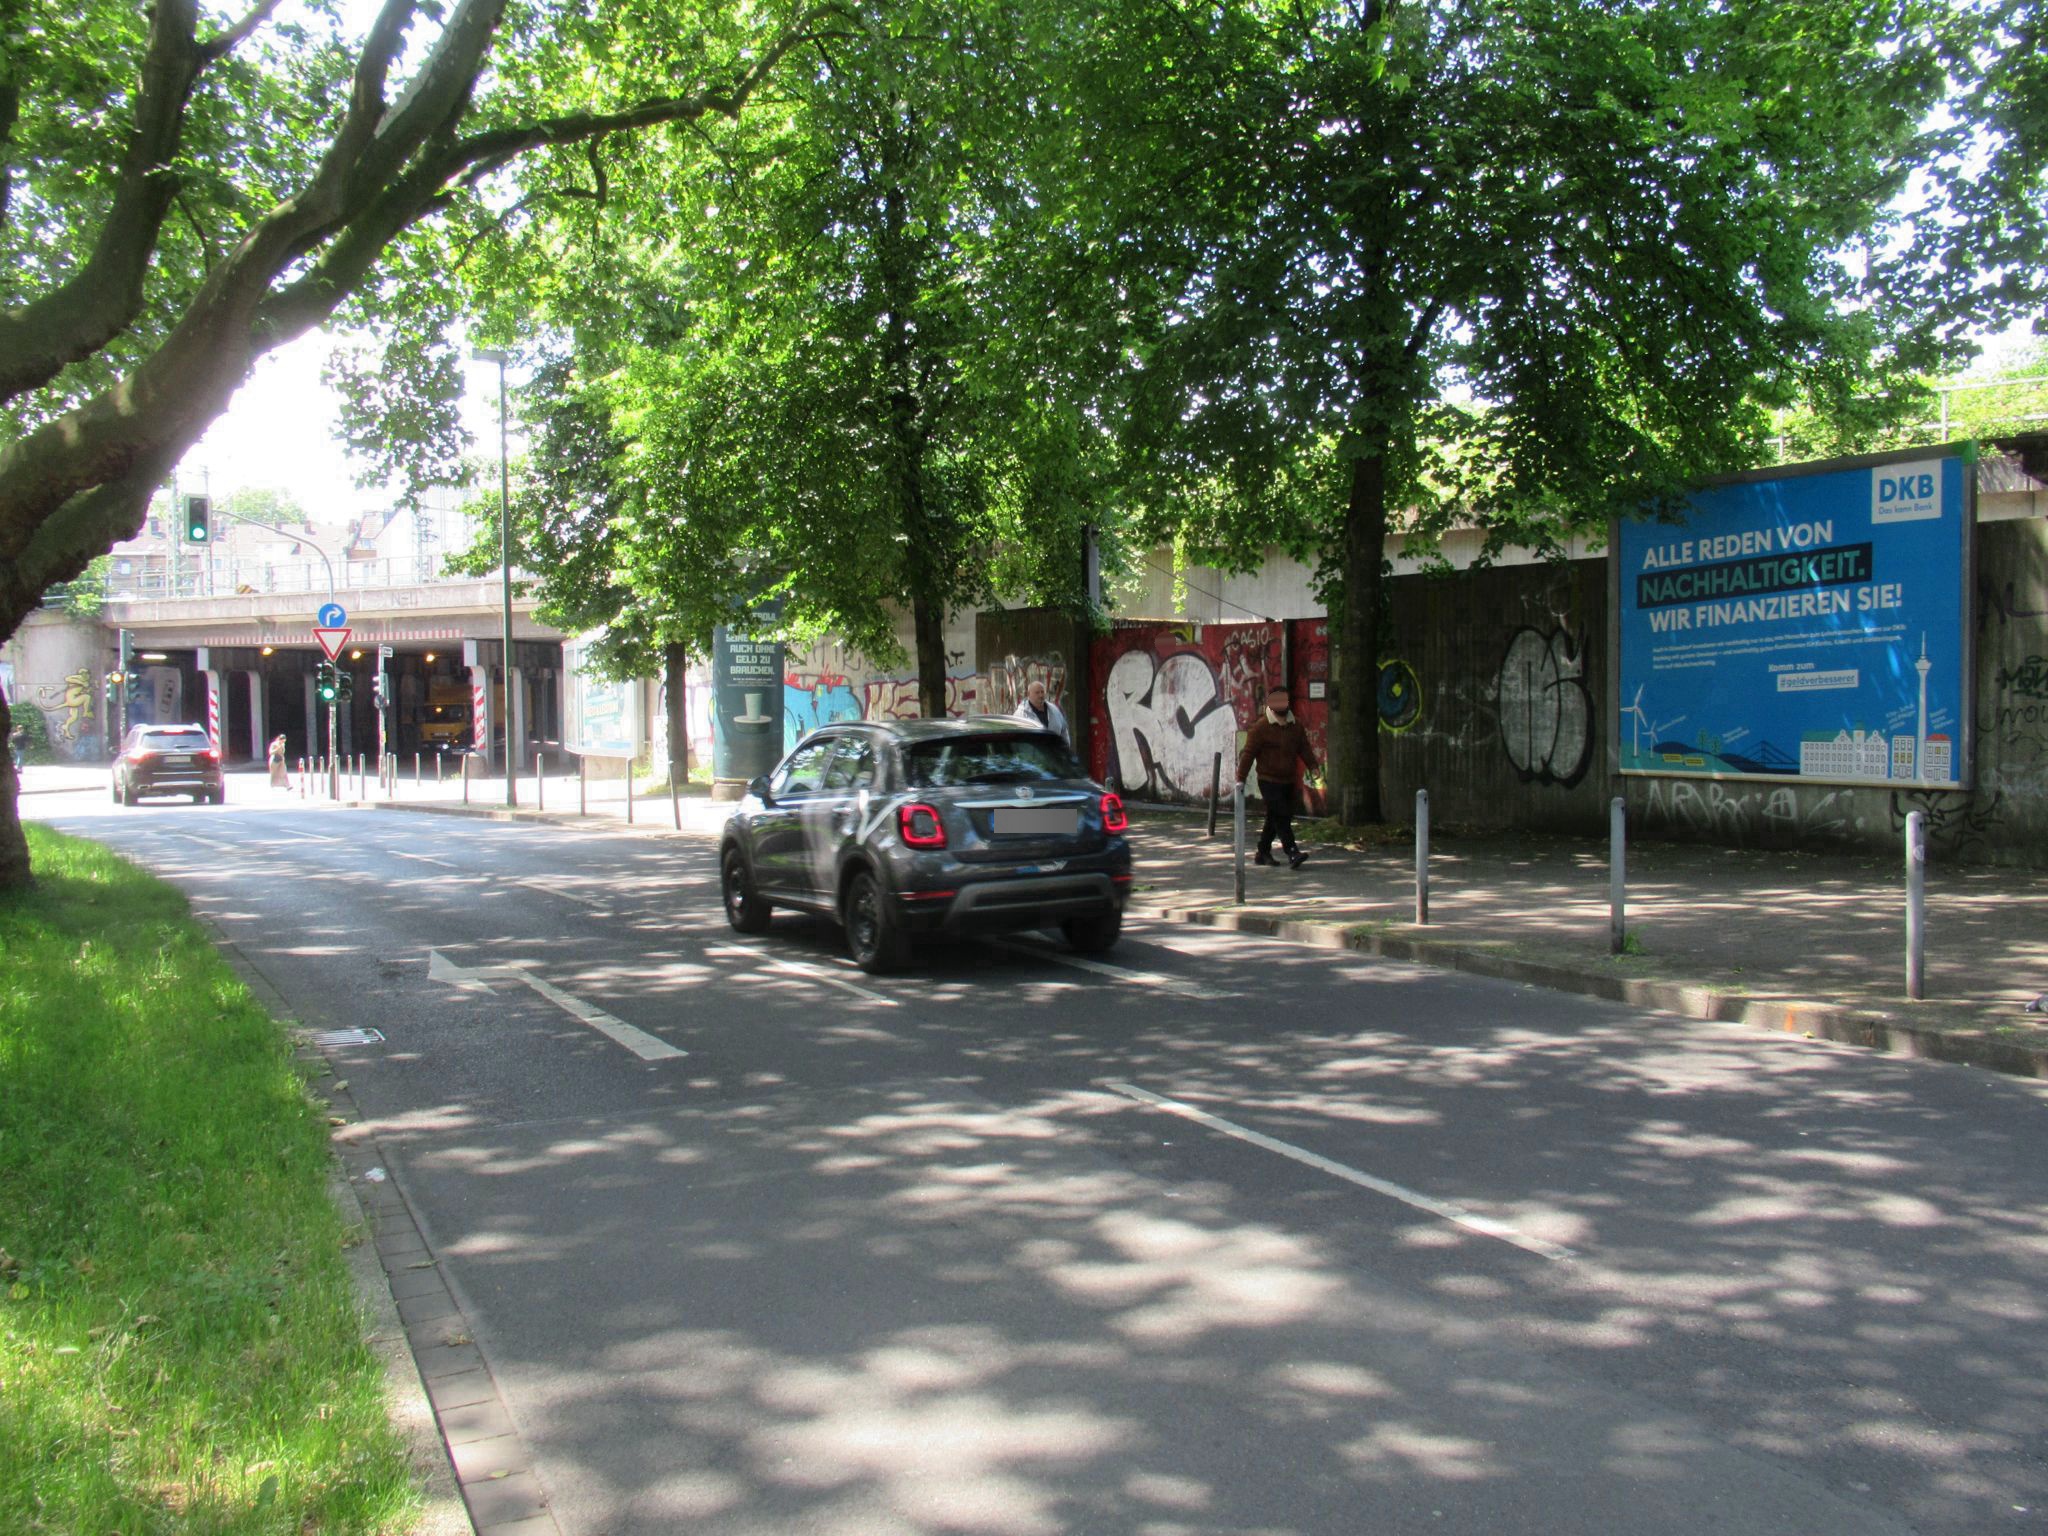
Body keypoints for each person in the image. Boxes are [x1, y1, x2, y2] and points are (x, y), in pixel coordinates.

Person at [1236, 683, 1317, 869]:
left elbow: (1304, 748)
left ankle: (1263, 852)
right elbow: (1248, 754)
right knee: (1281, 814)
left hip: (1288, 779)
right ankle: (1292, 851)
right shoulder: (1260, 728)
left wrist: (1313, 766)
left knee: (1276, 816)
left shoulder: (1295, 726)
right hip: (1268, 780)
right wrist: (1240, 778)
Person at [1013, 678, 1070, 744]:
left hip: (1054, 749)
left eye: (1042, 692)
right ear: (1029, 694)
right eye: (1037, 693)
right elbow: (1016, 738)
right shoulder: (1020, 714)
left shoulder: (1054, 710)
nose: (1041, 695)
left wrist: (1065, 747)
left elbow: (1064, 731)